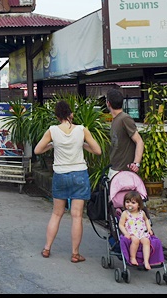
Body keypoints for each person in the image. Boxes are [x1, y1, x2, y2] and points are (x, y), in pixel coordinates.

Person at [33, 100, 102, 263]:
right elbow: (97, 150)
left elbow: (37, 150)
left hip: (60, 175)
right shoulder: (81, 129)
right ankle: (75, 253)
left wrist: (51, 145)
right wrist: (82, 145)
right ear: (71, 114)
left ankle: (47, 248)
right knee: (77, 216)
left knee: (56, 214)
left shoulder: (52, 131)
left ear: (57, 116)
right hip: (79, 175)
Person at [106, 89, 144, 179]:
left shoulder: (125, 118)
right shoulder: (116, 120)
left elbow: (139, 141)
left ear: (108, 103)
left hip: (124, 171)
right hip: (115, 168)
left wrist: (136, 163)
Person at [118, 190, 154, 270]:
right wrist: (125, 233)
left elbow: (146, 220)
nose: (129, 204)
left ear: (139, 205)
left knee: (146, 241)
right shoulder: (125, 213)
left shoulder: (142, 213)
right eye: (127, 202)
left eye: (133, 203)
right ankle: (132, 257)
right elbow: (121, 224)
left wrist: (149, 228)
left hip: (142, 232)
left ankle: (146, 261)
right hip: (132, 233)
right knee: (135, 241)